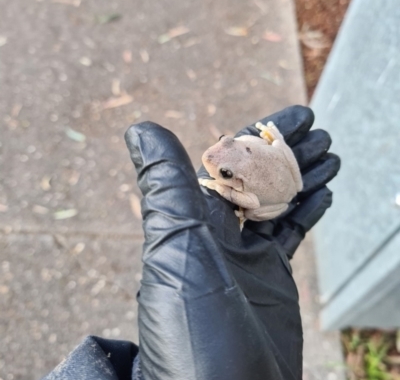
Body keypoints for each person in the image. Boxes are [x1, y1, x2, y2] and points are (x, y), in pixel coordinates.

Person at [42, 105, 340, 380]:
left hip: (266, 198)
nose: (211, 157)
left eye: (224, 173)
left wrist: (230, 190)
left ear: (230, 179)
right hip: (270, 163)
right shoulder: (230, 156)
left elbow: (251, 199)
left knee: (259, 194)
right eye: (224, 140)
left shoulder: (241, 187)